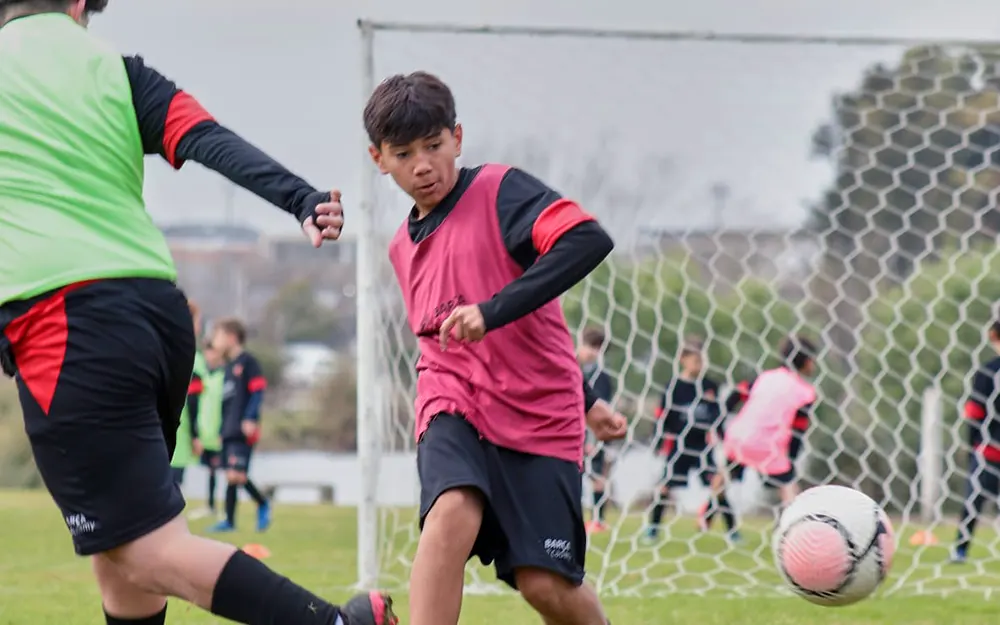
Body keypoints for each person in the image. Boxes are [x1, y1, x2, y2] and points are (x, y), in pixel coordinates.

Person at [0, 2, 394, 624]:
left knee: (147, 549)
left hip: (67, 325)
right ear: (78, 5)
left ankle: (336, 624)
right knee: (123, 558)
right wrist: (301, 200)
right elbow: (208, 139)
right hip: (157, 315)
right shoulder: (118, 72)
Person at [365, 70, 628, 625]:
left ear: (457, 138)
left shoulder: (500, 190)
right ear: (379, 159)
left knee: (545, 586)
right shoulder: (399, 249)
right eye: (405, 153)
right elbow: (449, 345)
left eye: (434, 146)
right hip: (453, 400)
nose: (423, 165)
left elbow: (589, 239)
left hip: (539, 416)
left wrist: (493, 314)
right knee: (452, 512)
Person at [703, 336, 818, 531]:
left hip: (740, 438)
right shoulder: (805, 392)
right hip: (769, 447)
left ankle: (705, 519)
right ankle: (788, 529)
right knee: (789, 488)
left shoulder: (765, 377)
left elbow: (734, 396)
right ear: (806, 361)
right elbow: (798, 430)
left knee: (721, 480)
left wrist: (719, 427)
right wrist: (791, 458)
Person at [644, 338, 736, 542]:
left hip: (702, 447)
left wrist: (722, 439)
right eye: (695, 360)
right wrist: (658, 442)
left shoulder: (709, 386)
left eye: (702, 360)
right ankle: (652, 529)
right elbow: (663, 416)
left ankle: (732, 532)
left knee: (718, 486)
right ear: (683, 359)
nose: (699, 364)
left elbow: (717, 415)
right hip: (679, 446)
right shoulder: (674, 386)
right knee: (664, 488)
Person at [208, 318, 271, 534]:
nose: (215, 341)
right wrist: (220, 431)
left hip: (243, 428)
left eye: (218, 336)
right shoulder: (228, 367)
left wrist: (250, 417)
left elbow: (257, 391)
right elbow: (226, 404)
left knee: (237, 475)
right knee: (231, 476)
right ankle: (230, 522)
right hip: (229, 429)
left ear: (232, 337)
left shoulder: (248, 363)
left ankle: (262, 503)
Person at [952, 315, 1000, 564]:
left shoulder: (986, 372)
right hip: (990, 451)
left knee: (972, 505)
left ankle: (959, 552)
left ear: (992, 335)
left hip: (988, 452)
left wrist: (972, 447)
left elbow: (974, 413)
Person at [579, 326, 615, 533]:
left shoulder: (602, 377)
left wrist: (592, 439)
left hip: (593, 434)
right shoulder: (573, 367)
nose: (592, 352)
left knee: (597, 476)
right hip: (573, 432)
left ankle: (598, 520)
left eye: (597, 348)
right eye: (590, 346)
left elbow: (601, 407)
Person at [170, 301, 207, 487]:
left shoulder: (163, 351)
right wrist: (195, 436)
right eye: (198, 321)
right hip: (178, 437)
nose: (199, 327)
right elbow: (192, 402)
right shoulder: (192, 358)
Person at [188, 342, 226, 521]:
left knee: (221, 470)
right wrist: (195, 434)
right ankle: (210, 505)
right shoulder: (201, 376)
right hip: (204, 433)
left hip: (219, 432)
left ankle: (221, 507)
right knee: (209, 470)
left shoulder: (224, 375)